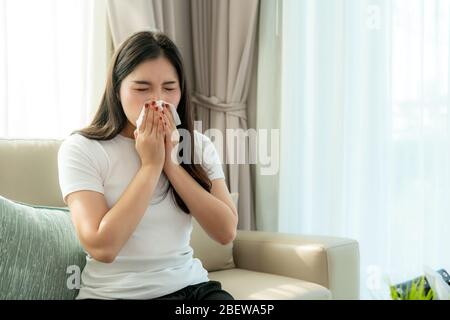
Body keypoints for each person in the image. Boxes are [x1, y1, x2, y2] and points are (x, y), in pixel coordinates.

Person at [57, 30, 237, 300]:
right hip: (115, 294)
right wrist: (150, 167)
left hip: (192, 289)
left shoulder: (198, 146)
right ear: (117, 90)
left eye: (169, 88)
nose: (158, 100)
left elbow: (225, 232)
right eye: (142, 88)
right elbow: (102, 248)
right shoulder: (82, 149)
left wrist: (171, 166)